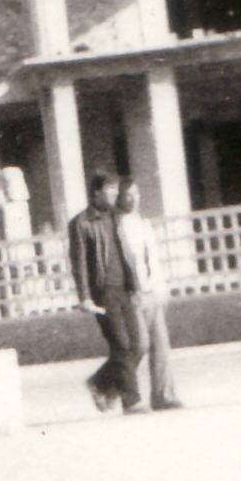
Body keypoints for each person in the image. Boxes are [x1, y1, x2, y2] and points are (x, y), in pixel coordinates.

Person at [67, 170, 142, 413]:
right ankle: (131, 401)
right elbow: (79, 263)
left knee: (138, 345)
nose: (114, 194)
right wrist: (85, 297)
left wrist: (135, 285)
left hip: (125, 288)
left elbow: (128, 252)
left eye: (115, 190)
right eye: (109, 190)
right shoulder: (81, 223)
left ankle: (101, 384)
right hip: (103, 292)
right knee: (121, 345)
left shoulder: (116, 216)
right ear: (96, 193)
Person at [114, 179, 183, 410]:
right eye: (127, 194)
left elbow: (152, 259)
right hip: (132, 293)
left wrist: (161, 287)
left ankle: (163, 395)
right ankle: (112, 388)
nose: (133, 199)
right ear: (119, 198)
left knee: (161, 344)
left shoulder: (143, 224)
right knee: (138, 345)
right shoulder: (115, 226)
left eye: (136, 193)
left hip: (152, 289)